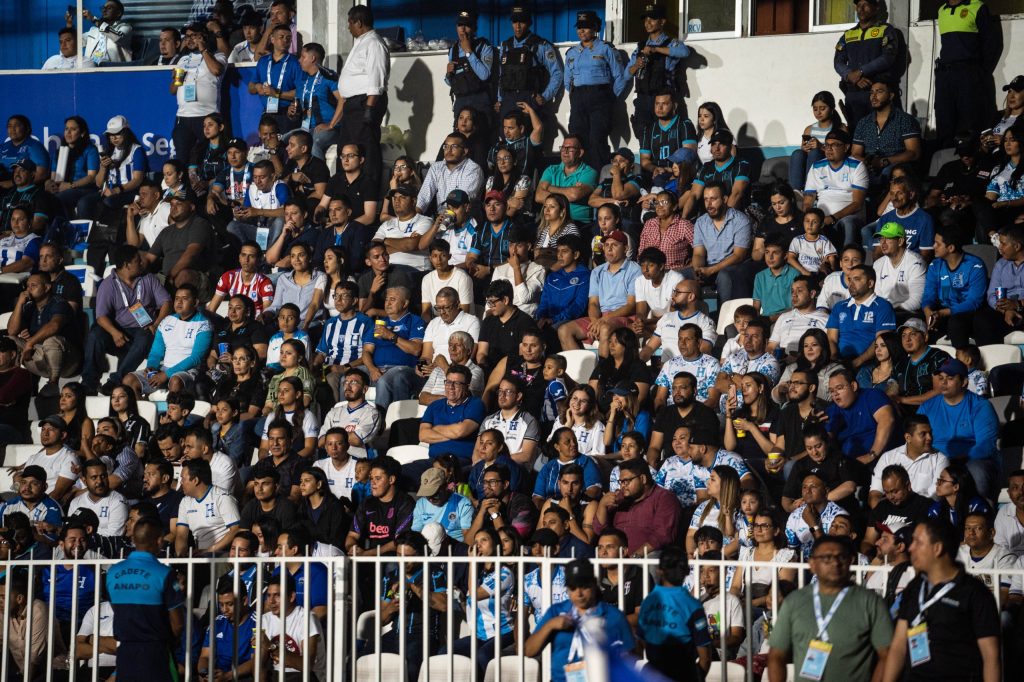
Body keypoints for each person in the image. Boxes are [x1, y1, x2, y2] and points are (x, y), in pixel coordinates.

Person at [881, 518, 1001, 682]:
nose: (910, 548)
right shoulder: (914, 587)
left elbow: (991, 656)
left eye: (918, 542)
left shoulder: (975, 593)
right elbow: (898, 647)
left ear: (937, 548)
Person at [767, 535, 893, 682]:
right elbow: (776, 656)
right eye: (826, 558)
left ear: (850, 561)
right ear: (812, 564)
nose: (835, 563)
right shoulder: (794, 602)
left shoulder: (870, 602)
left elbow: (887, 655)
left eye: (841, 557)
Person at [525, 558, 635, 682]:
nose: (579, 593)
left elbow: (630, 656)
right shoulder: (556, 611)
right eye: (573, 588)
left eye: (584, 587)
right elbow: (529, 651)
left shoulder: (613, 616)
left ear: (594, 584)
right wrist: (549, 625)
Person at [106, 517, 184, 681]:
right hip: (155, 651)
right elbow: (177, 624)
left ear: (133, 539)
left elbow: (116, 608)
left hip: (125, 652)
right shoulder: (165, 573)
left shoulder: (113, 572)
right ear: (159, 540)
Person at [918, 358, 1000, 501]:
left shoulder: (980, 406)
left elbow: (985, 446)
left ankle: (980, 514)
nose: (943, 382)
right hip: (937, 460)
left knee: (977, 474)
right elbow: (916, 439)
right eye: (941, 378)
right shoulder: (927, 407)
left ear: (964, 382)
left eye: (950, 378)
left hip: (971, 460)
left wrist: (952, 461)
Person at [562, 11, 626, 171]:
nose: (581, 31)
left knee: (597, 139)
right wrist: (576, 96)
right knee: (578, 139)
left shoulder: (605, 49)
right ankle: (579, 176)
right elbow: (567, 80)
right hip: (578, 99)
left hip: (600, 98)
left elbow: (620, 76)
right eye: (579, 28)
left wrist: (610, 97)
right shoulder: (572, 52)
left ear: (595, 28)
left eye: (586, 27)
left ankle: (598, 178)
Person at [638, 547, 712, 681]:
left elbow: (640, 643)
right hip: (683, 673)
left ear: (660, 571)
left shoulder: (647, 603)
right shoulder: (693, 605)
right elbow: (705, 658)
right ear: (687, 571)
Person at [558, 230, 640, 351]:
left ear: (626, 248)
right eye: (606, 245)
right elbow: (593, 303)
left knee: (604, 329)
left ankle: (603, 368)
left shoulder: (634, 269)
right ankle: (581, 368)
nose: (609, 249)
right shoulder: (597, 271)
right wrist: (595, 322)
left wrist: (604, 320)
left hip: (624, 316)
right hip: (601, 316)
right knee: (564, 330)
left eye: (615, 245)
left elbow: (631, 305)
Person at [833, 0, 907, 132]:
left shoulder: (886, 30)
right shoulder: (848, 34)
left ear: (876, 8)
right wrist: (851, 76)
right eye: (858, 5)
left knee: (883, 132)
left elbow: (888, 58)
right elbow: (838, 62)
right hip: (853, 93)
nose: (861, 9)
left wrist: (861, 71)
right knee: (856, 135)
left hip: (878, 93)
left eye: (866, 4)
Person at [6, 272, 81, 396]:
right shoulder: (30, 306)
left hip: (68, 360)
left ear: (46, 287)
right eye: (27, 286)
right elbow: (11, 331)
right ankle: (11, 383)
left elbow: (54, 325)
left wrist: (30, 342)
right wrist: (19, 304)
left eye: (33, 285)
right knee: (10, 340)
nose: (28, 289)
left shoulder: (59, 302)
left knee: (51, 340)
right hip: (41, 357)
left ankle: (53, 384)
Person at [628, 1, 691, 139]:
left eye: (652, 19)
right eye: (646, 19)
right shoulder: (640, 46)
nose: (647, 22)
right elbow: (627, 73)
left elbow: (684, 52)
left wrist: (656, 49)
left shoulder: (670, 43)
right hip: (643, 99)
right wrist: (637, 65)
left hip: (663, 99)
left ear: (662, 22)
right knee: (643, 138)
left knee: (666, 138)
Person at [593, 458, 682, 556]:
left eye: (626, 481)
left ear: (643, 479)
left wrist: (634, 558)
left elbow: (662, 536)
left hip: (645, 559)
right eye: (621, 482)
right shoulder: (619, 499)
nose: (622, 486)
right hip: (615, 558)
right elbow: (599, 530)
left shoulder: (664, 498)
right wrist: (602, 506)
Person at [802, 129, 868, 248]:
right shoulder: (817, 167)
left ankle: (847, 259)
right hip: (822, 218)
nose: (829, 148)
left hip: (849, 217)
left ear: (846, 147)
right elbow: (808, 200)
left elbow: (857, 203)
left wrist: (833, 218)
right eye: (827, 145)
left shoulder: (857, 166)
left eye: (835, 145)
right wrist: (810, 217)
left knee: (848, 223)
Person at [851, 81, 923, 187]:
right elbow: (855, 153)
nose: (873, 96)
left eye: (879, 92)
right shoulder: (864, 122)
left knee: (889, 173)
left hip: (894, 165)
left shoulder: (905, 120)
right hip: (868, 165)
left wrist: (884, 161)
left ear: (891, 95)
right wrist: (867, 163)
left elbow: (914, 153)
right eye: (871, 93)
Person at [345, 456, 415, 555]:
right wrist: (353, 548)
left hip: (393, 557)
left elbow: (400, 541)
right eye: (371, 478)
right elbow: (352, 535)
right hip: (368, 555)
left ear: (391, 479)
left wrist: (367, 554)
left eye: (377, 478)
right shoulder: (367, 503)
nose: (372, 483)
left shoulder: (405, 502)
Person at [259, 573, 322, 679]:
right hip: (276, 675)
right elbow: (259, 664)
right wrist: (262, 648)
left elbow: (307, 665)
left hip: (305, 676)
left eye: (277, 595)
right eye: (269, 595)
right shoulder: (264, 619)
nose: (271, 601)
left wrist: (271, 647)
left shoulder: (307, 618)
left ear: (292, 596)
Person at [175, 458, 240, 557]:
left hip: (222, 554)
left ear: (195, 480)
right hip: (200, 555)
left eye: (183, 479)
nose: (181, 483)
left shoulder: (222, 497)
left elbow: (235, 529)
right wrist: (181, 556)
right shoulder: (185, 502)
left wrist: (209, 550)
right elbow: (181, 535)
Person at [249, 22, 300, 133]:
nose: (285, 40)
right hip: (267, 113)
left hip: (286, 114)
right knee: (266, 147)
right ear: (272, 39)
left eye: (288, 38)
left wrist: (276, 93)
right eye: (281, 37)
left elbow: (301, 92)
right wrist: (257, 87)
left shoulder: (295, 62)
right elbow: (251, 87)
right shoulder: (263, 61)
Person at [789, 92, 846, 191]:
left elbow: (842, 152)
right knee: (797, 153)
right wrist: (805, 148)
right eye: (815, 109)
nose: (818, 112)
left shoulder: (840, 128)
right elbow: (803, 152)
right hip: (811, 162)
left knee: (815, 153)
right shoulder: (809, 129)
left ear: (832, 109)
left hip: (829, 163)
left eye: (822, 109)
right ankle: (795, 191)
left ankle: (810, 190)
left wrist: (821, 147)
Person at [71, 0, 133, 64]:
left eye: (109, 8)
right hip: (90, 65)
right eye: (103, 8)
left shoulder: (125, 27)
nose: (104, 10)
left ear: (118, 13)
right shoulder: (93, 31)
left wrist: (93, 19)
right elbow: (75, 42)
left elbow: (118, 38)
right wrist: (69, 24)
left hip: (112, 68)